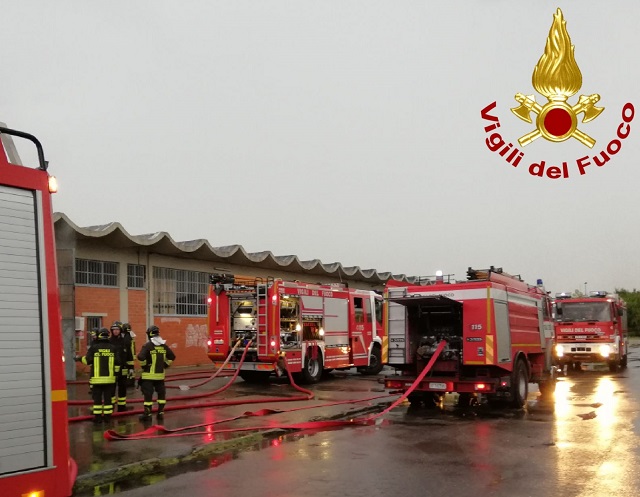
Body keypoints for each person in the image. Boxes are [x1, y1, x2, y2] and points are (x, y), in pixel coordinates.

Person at [75, 327, 120, 423]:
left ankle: (98, 418)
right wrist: (115, 374)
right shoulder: (113, 348)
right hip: (109, 380)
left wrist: (79, 359)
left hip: (96, 380)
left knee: (97, 400)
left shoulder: (94, 348)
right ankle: (107, 418)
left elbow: (87, 361)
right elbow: (118, 362)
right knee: (108, 399)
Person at [137, 325, 176, 420]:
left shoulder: (148, 346)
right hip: (160, 376)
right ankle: (160, 413)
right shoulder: (163, 346)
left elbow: (140, 357)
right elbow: (172, 356)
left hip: (148, 377)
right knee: (161, 395)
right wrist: (165, 365)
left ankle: (148, 415)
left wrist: (144, 365)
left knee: (148, 396)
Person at [109, 321, 131, 411]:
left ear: (120, 330)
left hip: (123, 369)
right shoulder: (109, 342)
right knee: (111, 388)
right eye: (114, 329)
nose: (115, 331)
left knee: (122, 388)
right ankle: (110, 406)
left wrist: (131, 368)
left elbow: (129, 355)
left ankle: (122, 407)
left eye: (117, 329)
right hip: (112, 369)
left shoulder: (124, 342)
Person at [121, 322, 137, 387]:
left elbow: (126, 348)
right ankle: (131, 382)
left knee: (128, 370)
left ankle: (129, 383)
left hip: (128, 357)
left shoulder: (127, 337)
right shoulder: (131, 336)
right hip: (132, 356)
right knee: (131, 370)